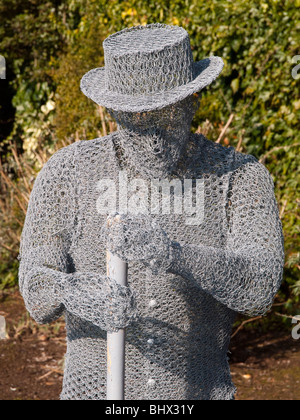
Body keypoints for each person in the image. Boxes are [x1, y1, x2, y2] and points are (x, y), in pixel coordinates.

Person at [18, 23, 284, 400]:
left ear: (194, 101)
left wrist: (173, 254)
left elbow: (259, 286)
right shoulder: (68, 172)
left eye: (169, 115)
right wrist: (72, 289)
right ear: (112, 111)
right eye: (137, 120)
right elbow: (34, 288)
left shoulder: (238, 178)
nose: (156, 141)